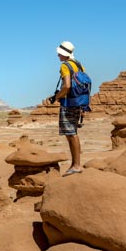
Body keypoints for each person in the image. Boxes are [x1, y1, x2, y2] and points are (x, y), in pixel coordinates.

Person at [45, 40, 85, 176]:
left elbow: (67, 85)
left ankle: (76, 165)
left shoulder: (65, 66)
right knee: (73, 133)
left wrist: (57, 97)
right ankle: (76, 164)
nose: (58, 56)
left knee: (70, 134)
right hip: (78, 102)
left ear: (63, 54)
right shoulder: (79, 65)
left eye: (59, 54)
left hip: (68, 104)